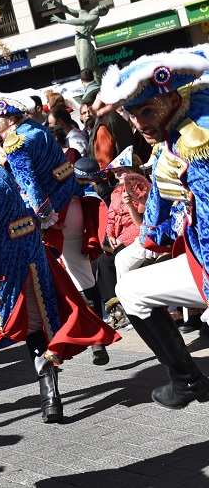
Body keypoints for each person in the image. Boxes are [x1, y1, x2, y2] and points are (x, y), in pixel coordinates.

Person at [0, 132, 120, 422]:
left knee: (31, 328)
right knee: (47, 315)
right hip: (33, 252)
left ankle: (50, 395)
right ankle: (52, 390)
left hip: (5, 265)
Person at [101, 48, 209, 409]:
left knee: (130, 288)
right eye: (133, 114)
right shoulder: (190, 111)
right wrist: (157, 234)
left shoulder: (197, 140)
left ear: (171, 97)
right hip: (196, 247)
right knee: (129, 284)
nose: (140, 124)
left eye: (148, 111)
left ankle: (187, 381)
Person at [0, 92, 109, 365]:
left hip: (51, 216)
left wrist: (45, 216)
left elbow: (29, 183)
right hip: (73, 203)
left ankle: (57, 343)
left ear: (10, 118)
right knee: (81, 274)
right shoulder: (37, 128)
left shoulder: (15, 142)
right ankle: (97, 339)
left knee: (47, 282)